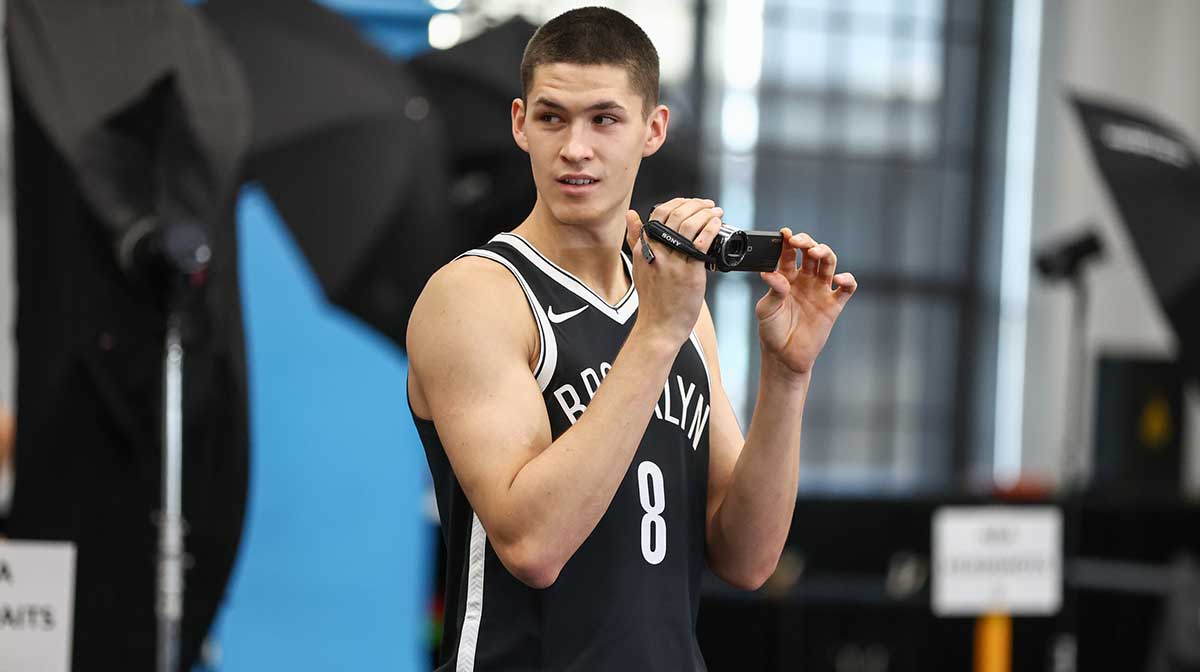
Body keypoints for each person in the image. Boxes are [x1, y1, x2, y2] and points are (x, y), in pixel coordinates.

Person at [407, 7, 856, 670]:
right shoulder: (476, 297)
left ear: (653, 129)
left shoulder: (675, 306)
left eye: (604, 119)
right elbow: (533, 546)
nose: (575, 148)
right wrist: (657, 333)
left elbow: (748, 557)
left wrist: (787, 377)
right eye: (552, 117)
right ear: (519, 123)